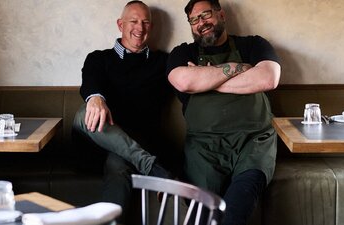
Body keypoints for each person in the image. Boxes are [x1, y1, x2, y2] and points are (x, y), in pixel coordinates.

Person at [166, 0, 281, 224]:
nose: (201, 23)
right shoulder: (183, 52)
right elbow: (183, 81)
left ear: (221, 14)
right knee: (199, 215)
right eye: (194, 20)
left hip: (253, 143)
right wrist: (240, 69)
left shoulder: (253, 45)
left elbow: (268, 77)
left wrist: (207, 79)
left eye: (206, 15)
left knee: (237, 207)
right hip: (204, 149)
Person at [73, 1, 175, 224]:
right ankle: (154, 168)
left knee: (118, 162)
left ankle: (148, 166)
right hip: (96, 143)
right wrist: (96, 98)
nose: (140, 27)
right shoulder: (98, 58)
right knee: (84, 112)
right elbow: (89, 82)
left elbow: (189, 78)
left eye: (146, 22)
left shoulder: (163, 62)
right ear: (120, 24)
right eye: (134, 21)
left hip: (139, 142)